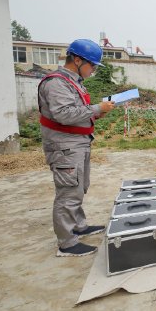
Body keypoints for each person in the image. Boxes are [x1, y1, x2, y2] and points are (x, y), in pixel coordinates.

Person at [38, 39, 116, 257]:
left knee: (79, 187)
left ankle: (79, 226)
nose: (93, 71)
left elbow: (76, 112)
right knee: (68, 192)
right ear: (78, 60)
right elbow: (63, 114)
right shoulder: (56, 83)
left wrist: (97, 113)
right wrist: (96, 108)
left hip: (77, 143)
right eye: (92, 65)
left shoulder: (74, 82)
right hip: (64, 146)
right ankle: (67, 243)